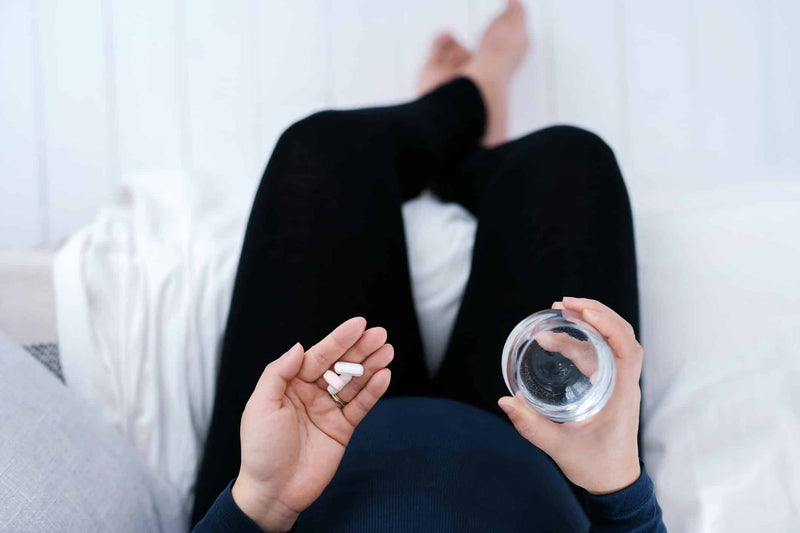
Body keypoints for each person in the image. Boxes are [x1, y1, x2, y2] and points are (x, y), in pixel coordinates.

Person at [192, 1, 666, 531]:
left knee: (321, 150)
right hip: (539, 461)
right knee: (570, 162)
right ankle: (473, 124)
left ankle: (459, 108)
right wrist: (617, 482)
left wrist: (261, 501)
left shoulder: (271, 491)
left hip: (296, 472)